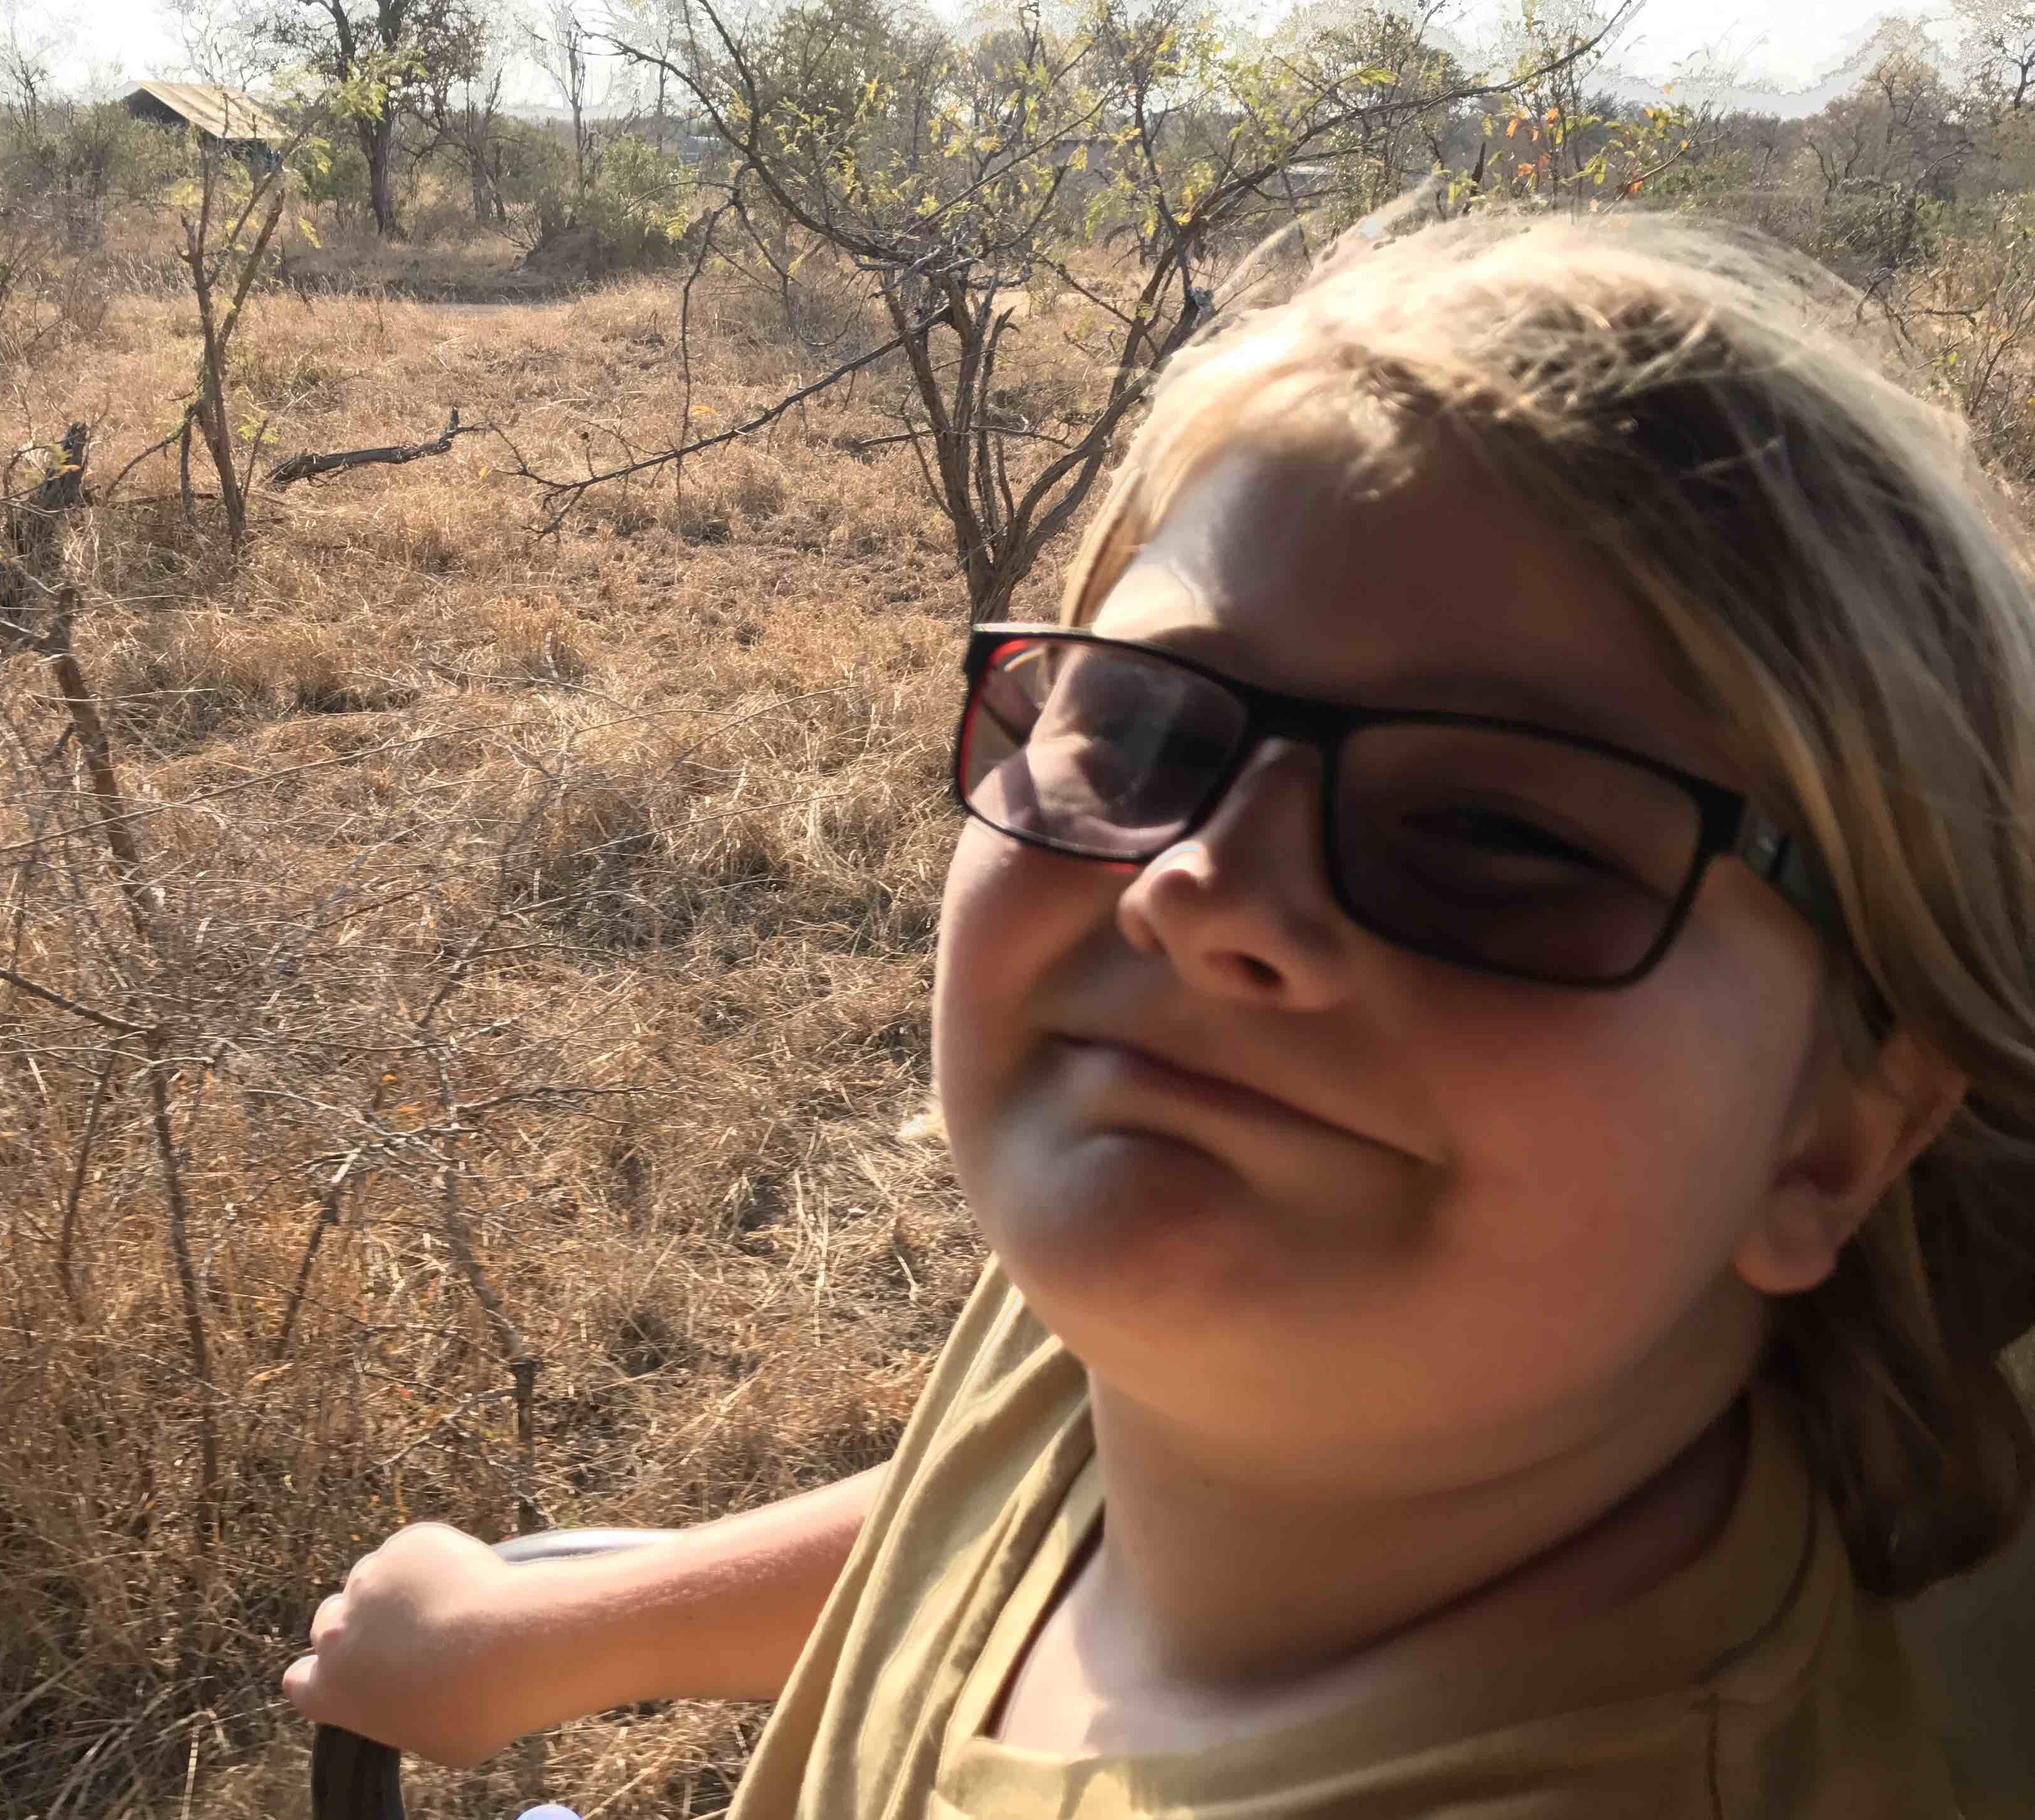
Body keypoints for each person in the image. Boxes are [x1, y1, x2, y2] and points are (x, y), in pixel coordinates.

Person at [282, 206, 2035, 1816]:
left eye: (1500, 837)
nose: (1199, 889)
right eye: (1134, 731)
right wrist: (548, 1635)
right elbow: (1005, 1502)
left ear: (1835, 1139)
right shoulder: (1250, 1241)